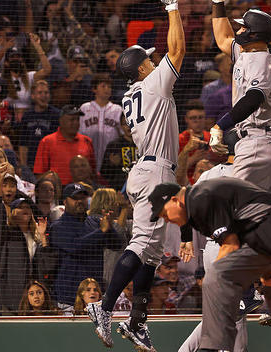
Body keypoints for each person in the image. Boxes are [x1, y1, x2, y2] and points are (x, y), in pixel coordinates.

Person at [86, 0, 186, 350]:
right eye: (150, 58)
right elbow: (178, 48)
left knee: (152, 254)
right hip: (155, 171)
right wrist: (173, 7)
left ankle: (137, 323)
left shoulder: (134, 91)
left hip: (151, 169)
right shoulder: (154, 84)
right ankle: (105, 306)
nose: (155, 59)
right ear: (142, 67)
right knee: (142, 244)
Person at [150, 178, 271, 352]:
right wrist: (266, 269)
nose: (167, 220)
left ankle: (212, 348)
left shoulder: (199, 197)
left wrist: (217, 288)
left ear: (175, 200)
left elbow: (230, 245)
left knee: (217, 276)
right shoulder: (197, 203)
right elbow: (244, 237)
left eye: (165, 214)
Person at [209, 7, 271, 195]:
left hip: (258, 142)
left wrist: (220, 125)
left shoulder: (262, 61)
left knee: (231, 200)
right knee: (263, 210)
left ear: (254, 34)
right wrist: (218, 3)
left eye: (243, 28)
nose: (239, 31)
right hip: (256, 141)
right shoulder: (246, 53)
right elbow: (222, 38)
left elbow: (253, 99)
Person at [33, 105, 97, 185]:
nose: (76, 123)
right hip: (59, 191)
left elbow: (93, 171)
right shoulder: (47, 142)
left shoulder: (87, 141)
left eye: (77, 119)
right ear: (61, 121)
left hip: (83, 190)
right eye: (72, 120)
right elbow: (40, 174)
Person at [79, 73, 123, 171]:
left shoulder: (117, 110)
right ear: (94, 89)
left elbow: (123, 134)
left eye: (109, 86)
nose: (107, 89)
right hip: (88, 157)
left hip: (110, 160)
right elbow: (79, 134)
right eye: (103, 86)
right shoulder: (85, 108)